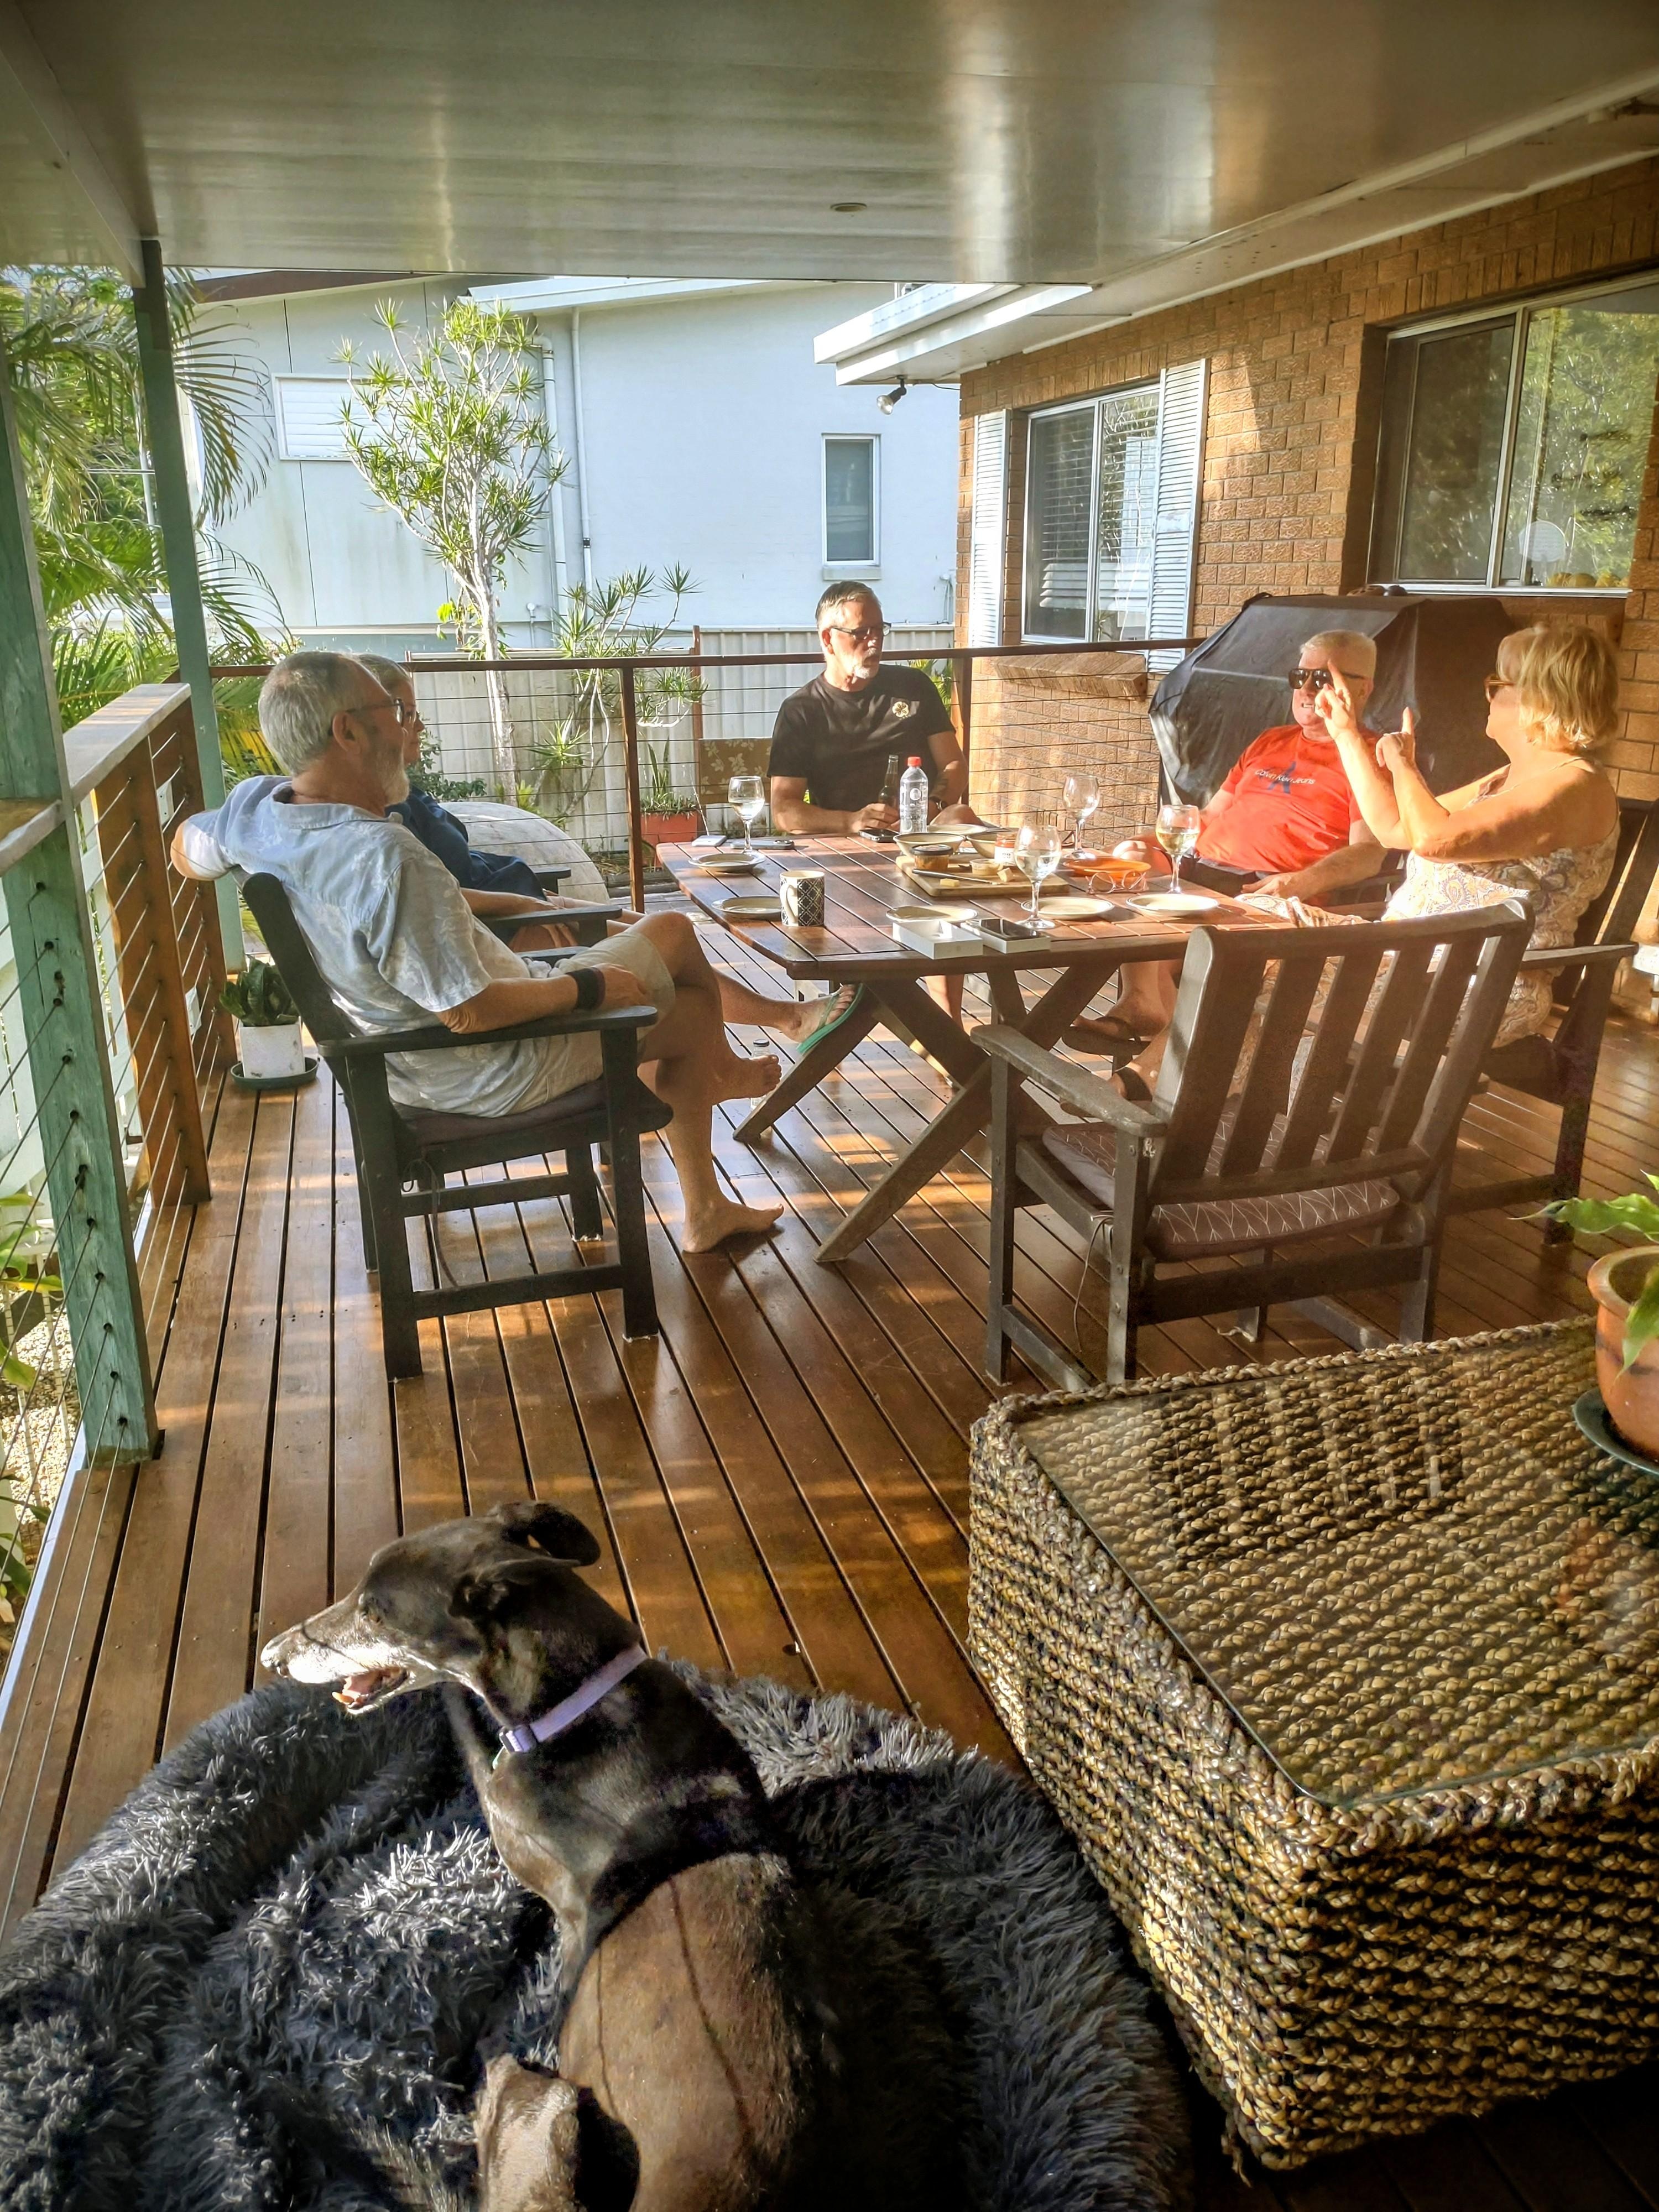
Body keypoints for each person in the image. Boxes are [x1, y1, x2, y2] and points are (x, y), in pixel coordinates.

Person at [170, 653, 845, 1253]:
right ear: (348, 731)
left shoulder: (255, 811)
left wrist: (230, 855)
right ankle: (719, 1094)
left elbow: (185, 849)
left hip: (401, 1066)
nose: (408, 730)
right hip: (487, 1065)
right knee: (671, 934)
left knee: (693, 1012)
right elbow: (470, 1012)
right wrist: (588, 992)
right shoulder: (383, 855)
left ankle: (705, 1206)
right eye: (395, 712)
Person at [1103, 623, 1620, 1102]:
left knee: (1259, 966)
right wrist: (1348, 733)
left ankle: (1151, 1097)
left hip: (1467, 982)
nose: (1486, 694)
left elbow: (1432, 840)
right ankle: (1162, 1092)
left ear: (1539, 697)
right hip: (1405, 957)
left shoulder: (1575, 787)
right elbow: (1396, 829)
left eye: (1496, 682)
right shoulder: (1504, 780)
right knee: (1253, 925)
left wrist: (1401, 765)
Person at [1079, 629, 1385, 1047]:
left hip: (1262, 890)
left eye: (1324, 678)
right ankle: (1147, 1011)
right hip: (1199, 870)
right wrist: (1142, 842)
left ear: (1363, 688)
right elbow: (1208, 817)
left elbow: (1370, 853)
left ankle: (1155, 1049)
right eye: (1301, 677)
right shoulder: (1270, 741)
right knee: (1130, 859)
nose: (1308, 690)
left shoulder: (1371, 757)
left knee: (1166, 943)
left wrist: (1298, 884)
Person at [767, 586, 976, 834]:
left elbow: (954, 764)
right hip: (847, 842)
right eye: (861, 632)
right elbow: (784, 811)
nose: (875, 641)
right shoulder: (801, 710)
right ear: (828, 639)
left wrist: (931, 808)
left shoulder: (913, 687)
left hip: (920, 834)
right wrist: (852, 821)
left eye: (879, 629)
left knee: (960, 815)